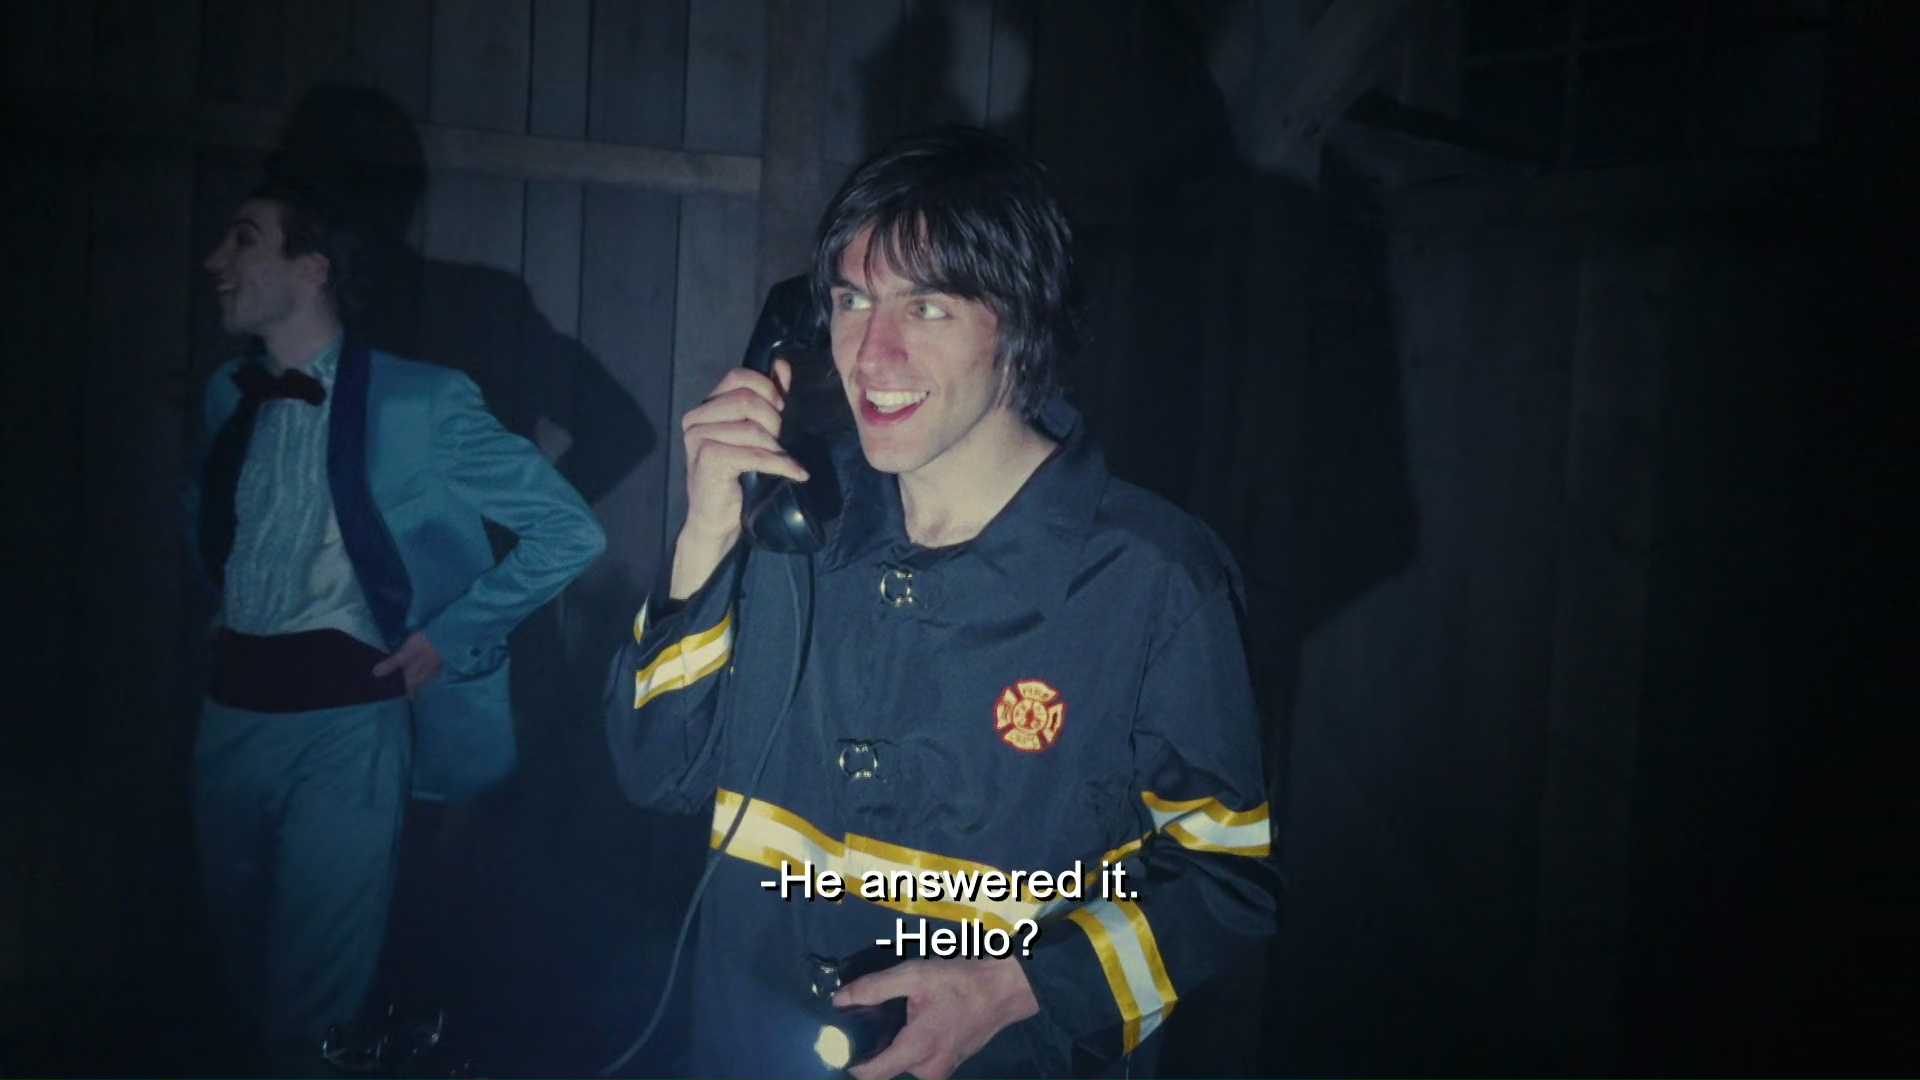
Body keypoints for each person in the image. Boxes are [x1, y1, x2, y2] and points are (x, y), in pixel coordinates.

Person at [605, 126, 1278, 1080]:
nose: (872, 353)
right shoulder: (790, 520)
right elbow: (654, 771)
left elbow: (1225, 881)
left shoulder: (1155, 580)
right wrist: (704, 536)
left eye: (926, 306)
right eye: (852, 300)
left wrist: (1022, 986)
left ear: (1021, 328)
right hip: (747, 1046)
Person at [191, 171, 606, 1079]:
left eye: (243, 240)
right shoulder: (229, 393)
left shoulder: (420, 402)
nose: (215, 261)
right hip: (226, 719)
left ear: (311, 269)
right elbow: (214, 524)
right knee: (229, 980)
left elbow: (569, 530)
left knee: (313, 1004)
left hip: (346, 729)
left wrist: (453, 633)